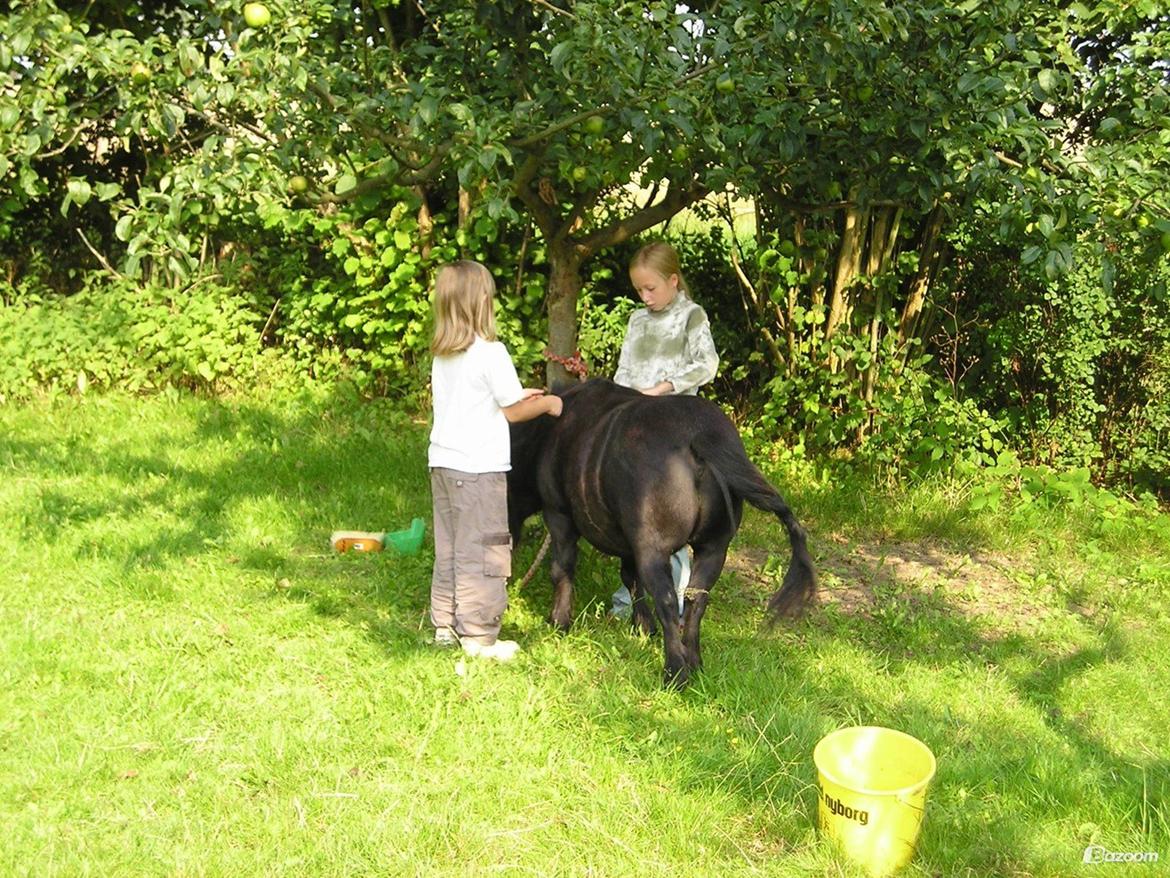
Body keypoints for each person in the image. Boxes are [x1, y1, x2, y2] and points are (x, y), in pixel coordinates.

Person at [428, 260, 563, 660]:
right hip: (479, 470)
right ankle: (479, 635)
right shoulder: (491, 352)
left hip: (443, 464)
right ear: (482, 302)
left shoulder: (444, 354)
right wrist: (548, 404)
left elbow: (486, 398)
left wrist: (519, 394)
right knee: (485, 549)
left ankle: (444, 624)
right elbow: (514, 412)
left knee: (451, 546)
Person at [610, 241, 720, 620]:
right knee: (633, 511)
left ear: (673, 280)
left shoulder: (691, 316)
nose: (645, 297)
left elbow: (707, 363)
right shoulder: (637, 320)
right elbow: (624, 370)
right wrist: (618, 401)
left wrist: (664, 387)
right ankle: (630, 595)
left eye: (651, 288)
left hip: (674, 424)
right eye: (638, 289)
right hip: (635, 423)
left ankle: (671, 597)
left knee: (667, 514)